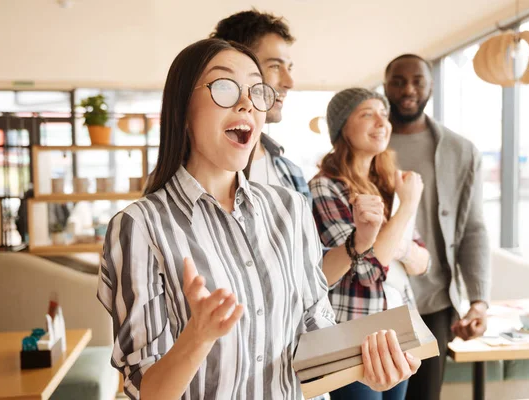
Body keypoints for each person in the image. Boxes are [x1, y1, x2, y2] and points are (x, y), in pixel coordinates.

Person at [97, 38, 420, 400]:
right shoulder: (139, 227)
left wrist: (369, 372)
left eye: (256, 90)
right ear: (182, 110)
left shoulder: (291, 209)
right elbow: (147, 390)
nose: (246, 102)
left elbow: (316, 333)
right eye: (223, 87)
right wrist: (197, 337)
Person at [210, 10, 380, 287]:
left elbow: (312, 276)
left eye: (288, 67)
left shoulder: (290, 174)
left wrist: (360, 241)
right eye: (275, 66)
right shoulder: (189, 175)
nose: (289, 82)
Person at [310, 88, 431, 400]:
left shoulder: (391, 184)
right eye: (367, 114)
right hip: (353, 333)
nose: (382, 121)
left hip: (398, 329)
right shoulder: (325, 187)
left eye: (384, 114)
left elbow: (422, 263)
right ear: (341, 128)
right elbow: (366, 270)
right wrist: (407, 206)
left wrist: (397, 245)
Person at [384, 54, 491, 400]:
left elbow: (473, 230)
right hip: (373, 304)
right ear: (385, 86)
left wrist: (479, 301)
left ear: (431, 86)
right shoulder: (367, 143)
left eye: (418, 80)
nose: (408, 89)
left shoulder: (461, 151)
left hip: (433, 305)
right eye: (398, 81)